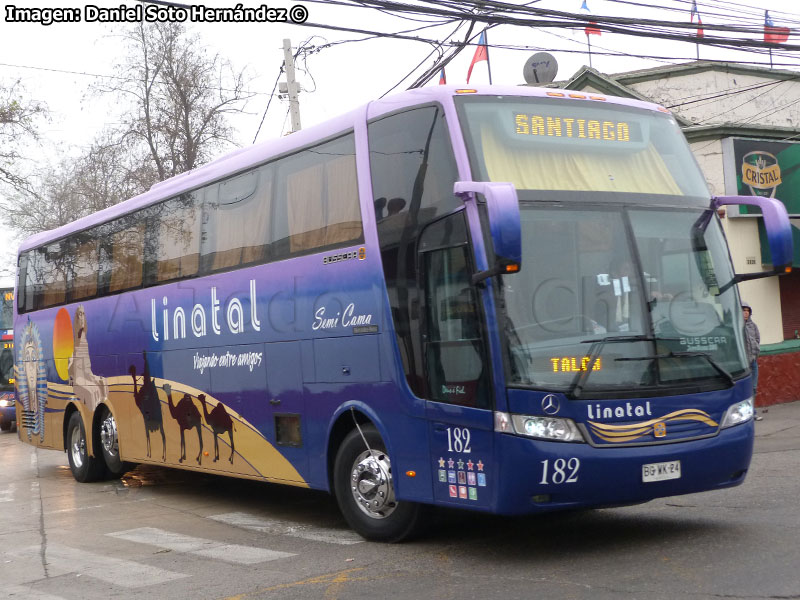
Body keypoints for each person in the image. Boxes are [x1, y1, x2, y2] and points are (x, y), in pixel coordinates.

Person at [741, 301, 762, 421]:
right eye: (743, 310)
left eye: (747, 310)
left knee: (753, 388)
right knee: (745, 389)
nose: (745, 313)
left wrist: (755, 353)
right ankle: (745, 414)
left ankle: (752, 412)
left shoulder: (753, 326)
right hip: (743, 364)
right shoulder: (736, 326)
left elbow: (757, 339)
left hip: (753, 362)